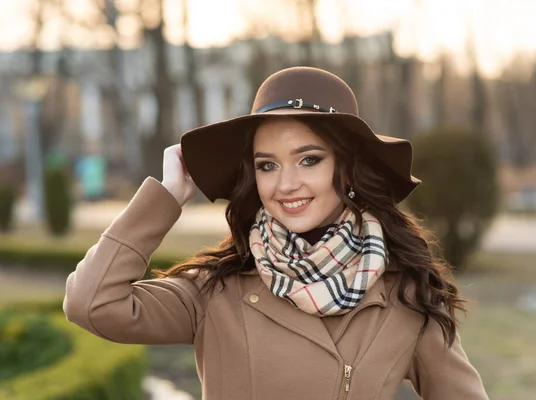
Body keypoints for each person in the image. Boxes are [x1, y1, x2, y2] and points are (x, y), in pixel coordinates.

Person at [63, 66, 489, 399]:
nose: (285, 185)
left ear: (347, 168)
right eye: (267, 165)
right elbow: (91, 303)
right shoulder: (215, 292)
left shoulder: (405, 297)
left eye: (308, 160)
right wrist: (166, 197)